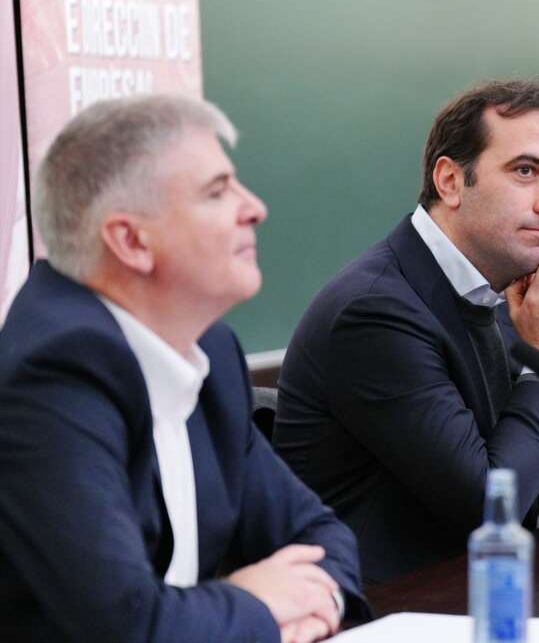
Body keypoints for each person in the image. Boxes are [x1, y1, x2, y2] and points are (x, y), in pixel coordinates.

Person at [0, 95, 368, 643]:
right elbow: (125, 627)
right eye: (218, 191)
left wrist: (308, 605)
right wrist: (258, 606)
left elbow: (319, 535)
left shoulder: (209, 351)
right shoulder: (52, 375)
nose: (255, 207)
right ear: (130, 240)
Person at [274, 79, 539, 584]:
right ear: (450, 181)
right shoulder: (376, 311)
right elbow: (488, 505)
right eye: (525, 171)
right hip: (381, 613)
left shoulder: (503, 290)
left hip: (466, 595)